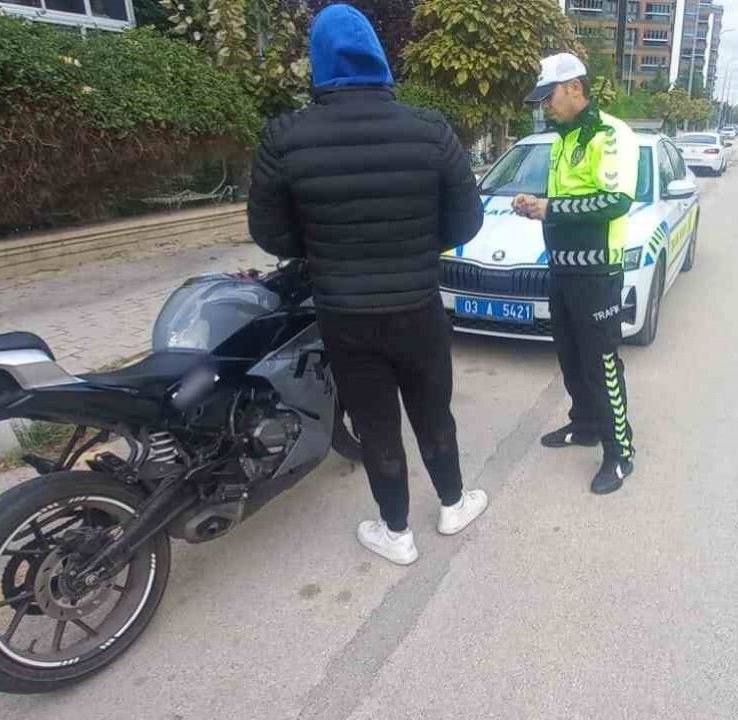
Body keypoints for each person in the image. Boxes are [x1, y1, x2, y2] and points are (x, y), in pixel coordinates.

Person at [246, 4, 487, 565]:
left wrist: (324, 247)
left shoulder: (286, 137)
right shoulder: (429, 130)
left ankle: (396, 531)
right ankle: (453, 503)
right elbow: (467, 221)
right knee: (433, 410)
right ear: (378, 57)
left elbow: (269, 233)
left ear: (319, 62)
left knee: (376, 424)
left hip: (344, 313)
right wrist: (417, 244)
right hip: (418, 305)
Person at [512, 52, 638, 494]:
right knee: (570, 358)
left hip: (598, 274)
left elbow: (614, 201)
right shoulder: (561, 140)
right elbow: (565, 200)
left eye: (549, 96)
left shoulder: (612, 134)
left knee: (602, 365)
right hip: (561, 271)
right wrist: (534, 204)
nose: (545, 106)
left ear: (574, 88)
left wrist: (550, 208)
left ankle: (620, 453)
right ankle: (584, 426)